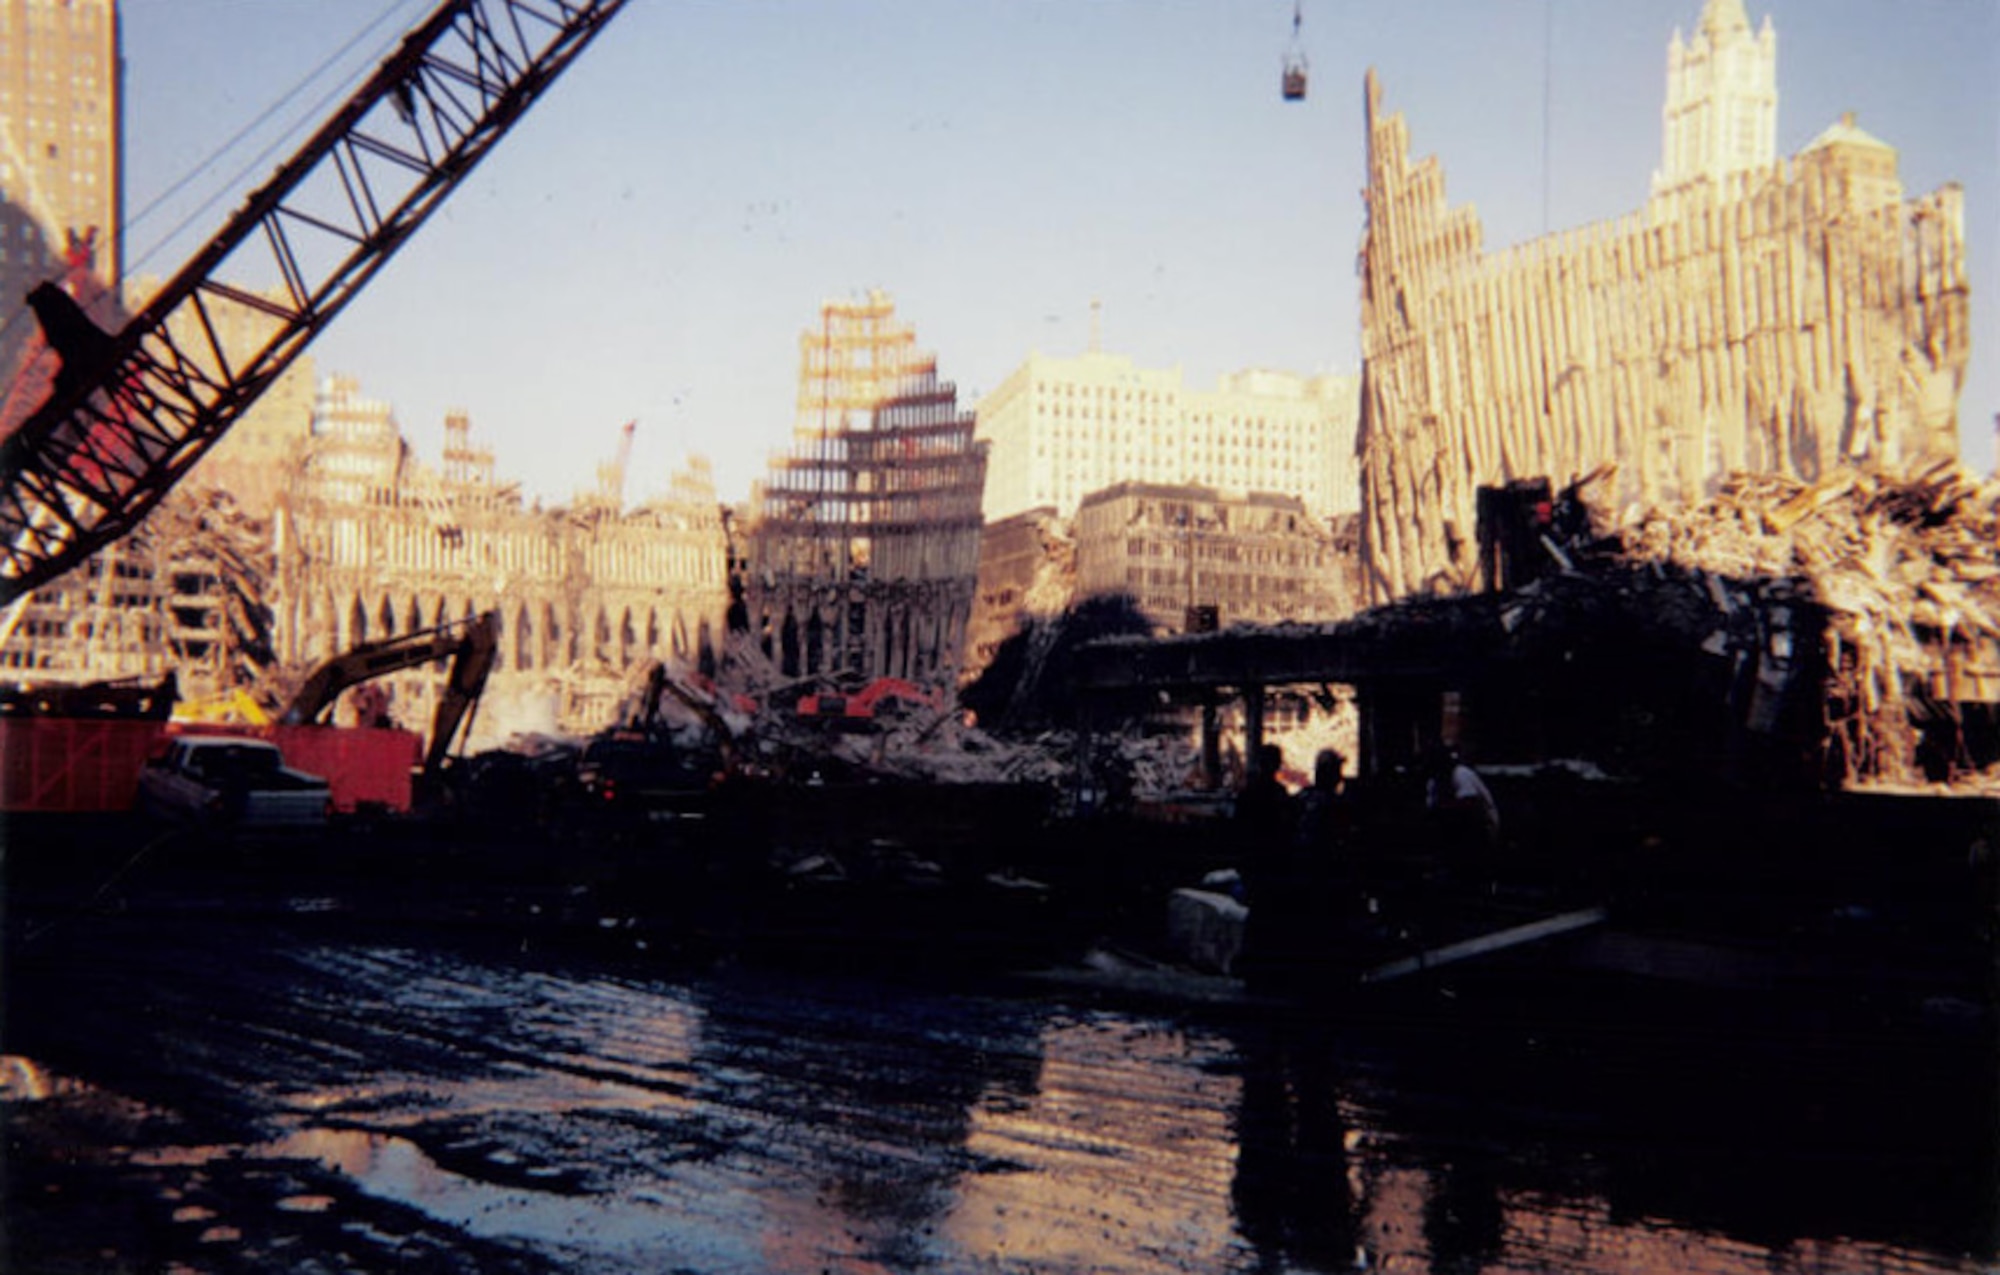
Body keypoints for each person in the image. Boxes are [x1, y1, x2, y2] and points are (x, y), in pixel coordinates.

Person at [1425, 746, 1500, 861]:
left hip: (1480, 827)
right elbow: (1432, 809)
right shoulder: (1434, 782)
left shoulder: (1461, 773)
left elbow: (1469, 804)